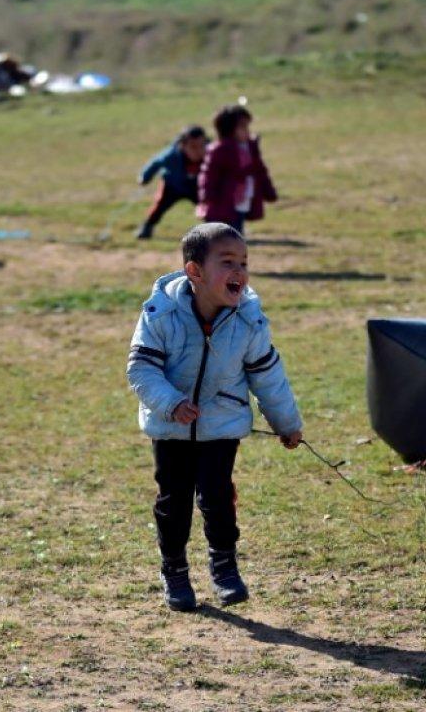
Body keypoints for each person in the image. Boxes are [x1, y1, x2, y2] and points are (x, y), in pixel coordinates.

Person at [126, 223, 303, 611]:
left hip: (221, 425)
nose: (239, 271)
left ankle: (224, 567)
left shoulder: (249, 321)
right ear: (195, 271)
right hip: (171, 428)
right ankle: (174, 571)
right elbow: (141, 368)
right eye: (227, 263)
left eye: (244, 263)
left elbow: (268, 376)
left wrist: (287, 423)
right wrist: (171, 403)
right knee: (174, 502)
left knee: (217, 497)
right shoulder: (160, 313)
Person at [197, 105, 277, 233]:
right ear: (229, 129)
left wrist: (269, 191)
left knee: (236, 235)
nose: (247, 131)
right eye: (243, 127)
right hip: (222, 205)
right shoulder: (220, 150)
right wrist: (206, 194)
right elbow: (209, 173)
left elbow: (259, 171)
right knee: (223, 238)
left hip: (241, 204)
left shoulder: (250, 149)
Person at [136, 125, 208, 240]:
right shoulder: (172, 155)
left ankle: (217, 231)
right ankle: (147, 227)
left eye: (202, 145)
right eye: (193, 147)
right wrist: (145, 177)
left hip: (196, 187)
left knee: (208, 208)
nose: (198, 151)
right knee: (159, 206)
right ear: (182, 145)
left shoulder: (210, 154)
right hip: (172, 185)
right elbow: (156, 162)